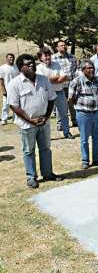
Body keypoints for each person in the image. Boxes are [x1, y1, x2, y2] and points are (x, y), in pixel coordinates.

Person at [8, 54, 63, 188]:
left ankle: (48, 173)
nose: (32, 65)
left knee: (45, 149)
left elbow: (51, 99)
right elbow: (14, 106)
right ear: (21, 67)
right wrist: (30, 120)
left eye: (33, 62)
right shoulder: (15, 84)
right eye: (28, 64)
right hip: (27, 124)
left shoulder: (44, 80)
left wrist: (47, 116)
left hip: (44, 122)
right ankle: (31, 177)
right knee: (29, 151)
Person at [69, 61, 98, 170]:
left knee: (97, 137)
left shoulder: (97, 79)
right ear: (83, 70)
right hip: (83, 113)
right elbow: (70, 98)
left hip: (97, 112)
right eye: (88, 68)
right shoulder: (77, 81)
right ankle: (85, 160)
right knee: (84, 139)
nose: (91, 70)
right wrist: (80, 104)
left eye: (92, 67)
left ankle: (96, 158)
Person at [36, 47, 73, 139]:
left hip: (59, 92)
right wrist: (57, 78)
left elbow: (64, 76)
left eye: (49, 55)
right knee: (45, 115)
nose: (48, 57)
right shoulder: (39, 68)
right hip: (46, 95)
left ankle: (66, 132)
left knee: (64, 113)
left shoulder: (57, 64)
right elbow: (44, 81)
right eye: (45, 55)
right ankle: (44, 135)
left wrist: (52, 79)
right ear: (40, 58)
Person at [53, 40, 78, 127]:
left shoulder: (72, 57)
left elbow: (76, 70)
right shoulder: (53, 58)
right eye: (61, 45)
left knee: (73, 104)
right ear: (57, 47)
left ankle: (75, 121)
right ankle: (60, 124)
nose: (64, 47)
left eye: (65, 45)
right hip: (59, 86)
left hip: (71, 85)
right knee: (61, 107)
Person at [0, 53, 19, 125]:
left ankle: (15, 118)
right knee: (6, 105)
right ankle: (4, 119)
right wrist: (3, 90)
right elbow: (1, 80)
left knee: (16, 104)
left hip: (16, 89)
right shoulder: (2, 68)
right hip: (7, 90)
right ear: (6, 58)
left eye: (13, 57)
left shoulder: (16, 67)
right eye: (10, 57)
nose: (11, 59)